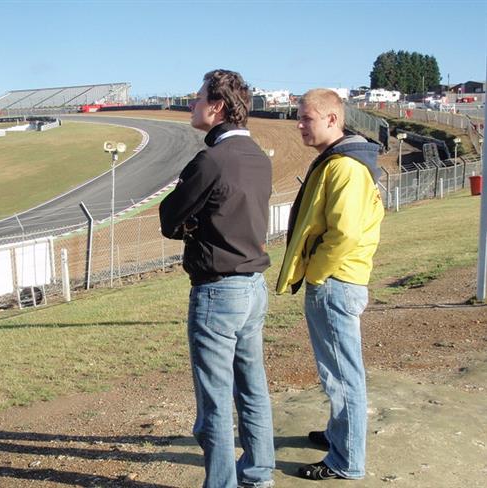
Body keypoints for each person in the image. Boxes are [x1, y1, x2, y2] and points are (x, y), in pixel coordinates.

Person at [159, 69, 275, 488]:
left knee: (214, 403)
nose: (191, 105)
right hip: (253, 288)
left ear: (217, 106)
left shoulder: (211, 160)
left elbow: (170, 219)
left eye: (197, 98)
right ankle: (259, 475)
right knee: (252, 389)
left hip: (218, 292)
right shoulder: (258, 156)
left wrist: (193, 226)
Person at [276, 88, 384, 480]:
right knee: (336, 372)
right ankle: (340, 436)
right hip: (337, 280)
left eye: (307, 118)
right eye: (299, 117)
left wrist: (318, 272)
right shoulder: (341, 161)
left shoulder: (345, 168)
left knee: (342, 375)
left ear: (333, 119)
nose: (299, 125)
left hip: (336, 282)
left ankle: (346, 461)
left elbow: (345, 234)